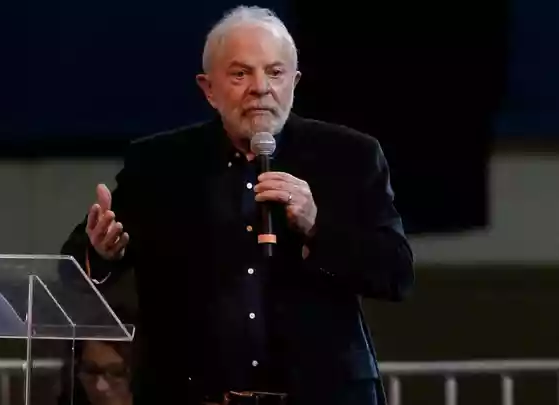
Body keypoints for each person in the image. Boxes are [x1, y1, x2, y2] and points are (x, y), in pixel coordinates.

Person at [61, 5, 414, 405]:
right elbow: (74, 265)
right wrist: (101, 252)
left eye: (275, 73)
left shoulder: (348, 156)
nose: (260, 88)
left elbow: (396, 274)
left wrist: (317, 227)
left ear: (294, 82)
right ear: (208, 88)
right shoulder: (160, 163)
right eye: (240, 74)